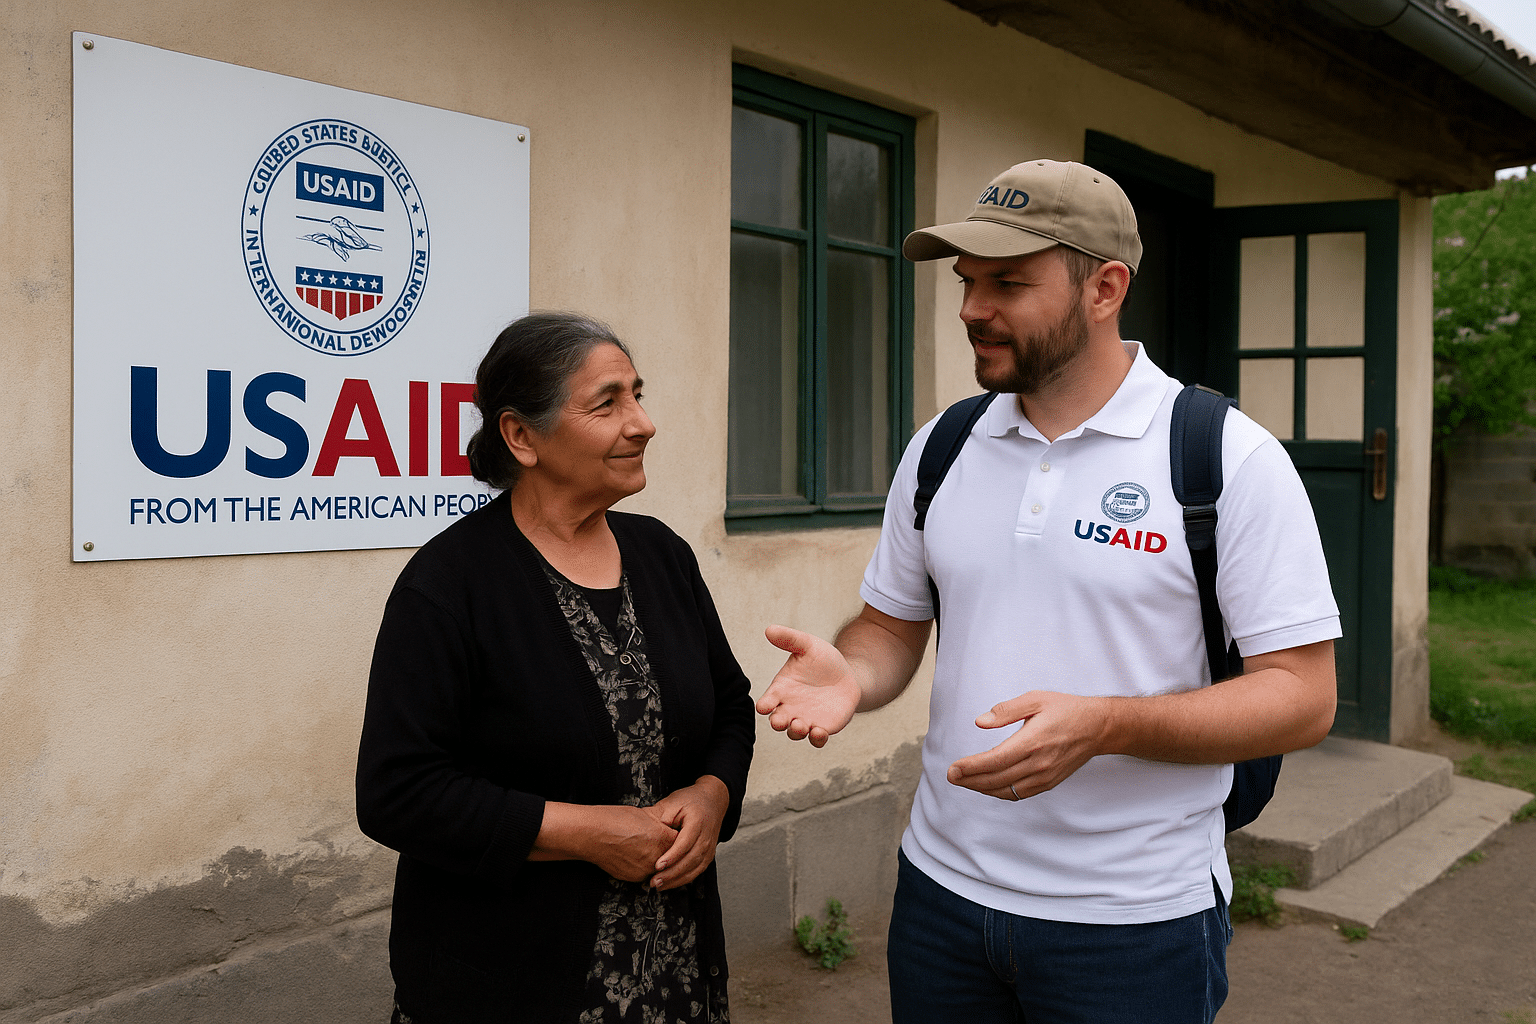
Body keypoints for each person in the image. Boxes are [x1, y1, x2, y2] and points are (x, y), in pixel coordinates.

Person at [755, 160, 1339, 1023]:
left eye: (1008, 283)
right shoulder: (943, 447)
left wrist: (1108, 724)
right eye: (966, 282)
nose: (970, 309)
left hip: (1132, 925)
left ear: (1104, 288)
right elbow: (890, 629)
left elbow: (1302, 698)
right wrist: (852, 672)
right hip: (940, 900)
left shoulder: (1227, 459)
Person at [357, 311, 755, 1023]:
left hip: (673, 970)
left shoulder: (662, 556)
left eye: (637, 394)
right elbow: (398, 791)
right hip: (506, 979)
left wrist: (714, 794)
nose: (642, 423)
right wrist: (587, 833)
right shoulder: (448, 587)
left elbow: (729, 703)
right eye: (608, 403)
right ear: (520, 435)